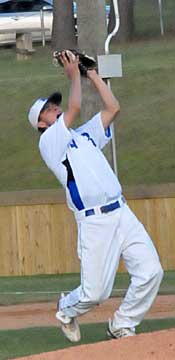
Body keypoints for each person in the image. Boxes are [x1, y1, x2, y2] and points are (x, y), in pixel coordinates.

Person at [28, 50, 163, 343]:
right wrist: (73, 74)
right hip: (94, 222)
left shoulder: (83, 135)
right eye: (48, 109)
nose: (55, 108)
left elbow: (113, 107)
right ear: (41, 124)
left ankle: (121, 324)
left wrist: (91, 74)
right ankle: (66, 308)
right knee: (95, 293)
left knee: (151, 272)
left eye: (54, 105)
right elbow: (75, 105)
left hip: (121, 212)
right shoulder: (49, 143)